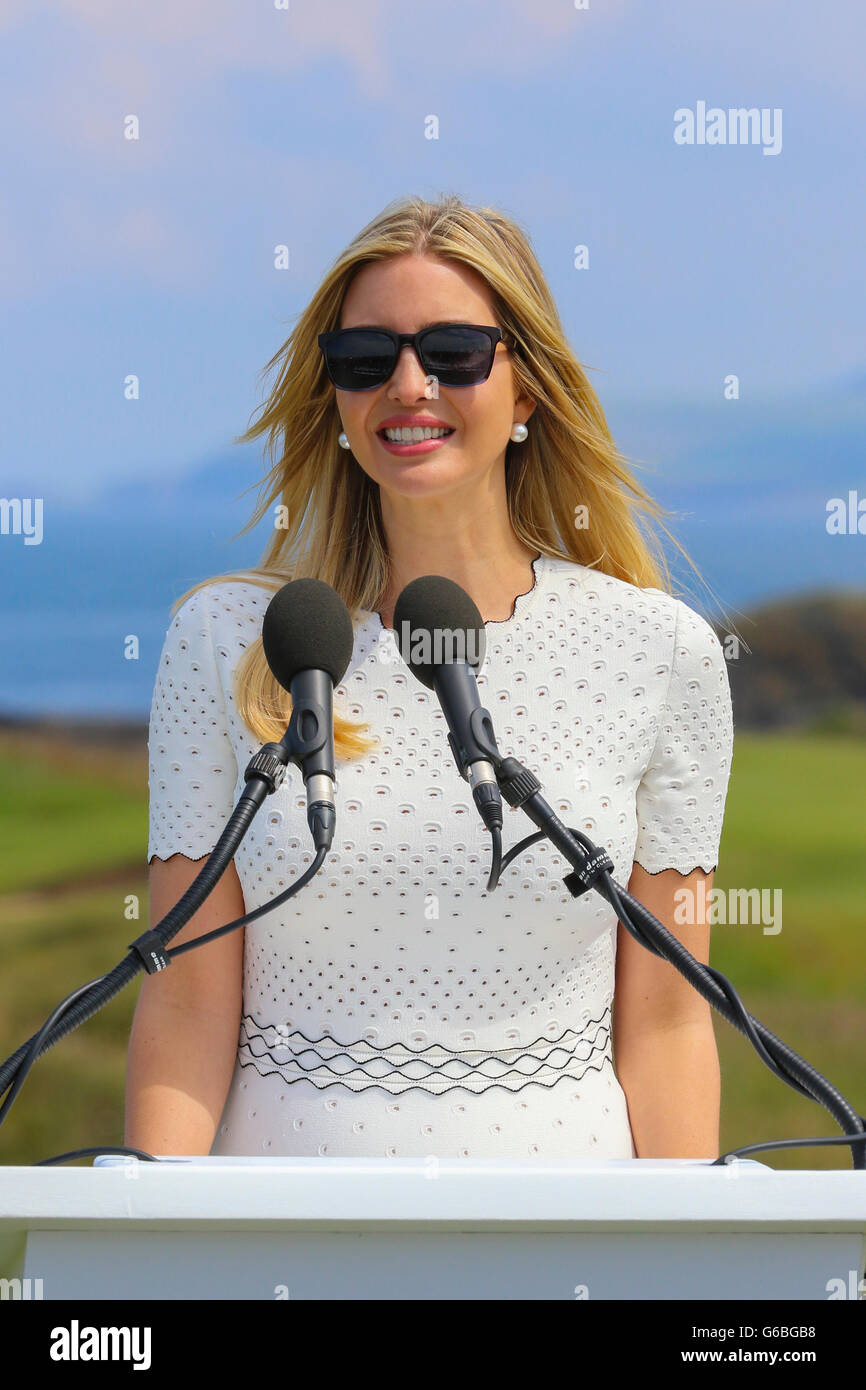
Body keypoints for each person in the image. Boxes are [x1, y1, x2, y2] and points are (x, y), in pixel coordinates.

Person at [125, 194, 734, 1161]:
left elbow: (667, 1022)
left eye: (453, 352)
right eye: (367, 359)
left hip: (561, 1230)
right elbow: (187, 999)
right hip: (280, 1230)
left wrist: (679, 1265)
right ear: (334, 395)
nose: (409, 386)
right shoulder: (226, 639)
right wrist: (156, 1244)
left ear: (527, 388)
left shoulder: (660, 653)